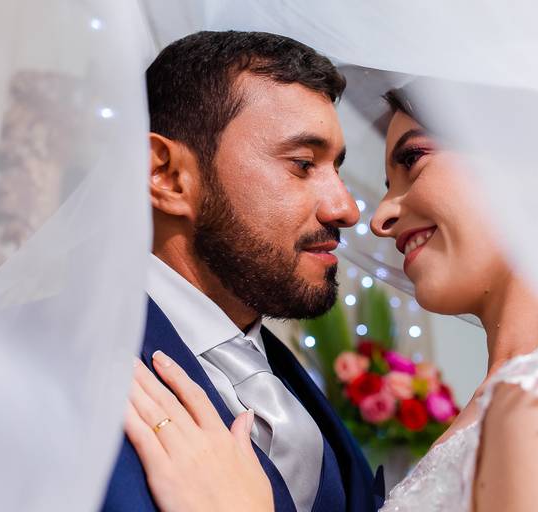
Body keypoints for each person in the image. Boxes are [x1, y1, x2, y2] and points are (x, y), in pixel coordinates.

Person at [123, 85, 538, 511]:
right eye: (302, 164)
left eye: (412, 160)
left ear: (535, 164)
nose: (378, 216)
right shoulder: (511, 401)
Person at [101, 31, 385, 512]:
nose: (345, 209)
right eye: (302, 164)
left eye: (335, 168)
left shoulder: (292, 385)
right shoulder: (36, 366)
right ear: (166, 175)